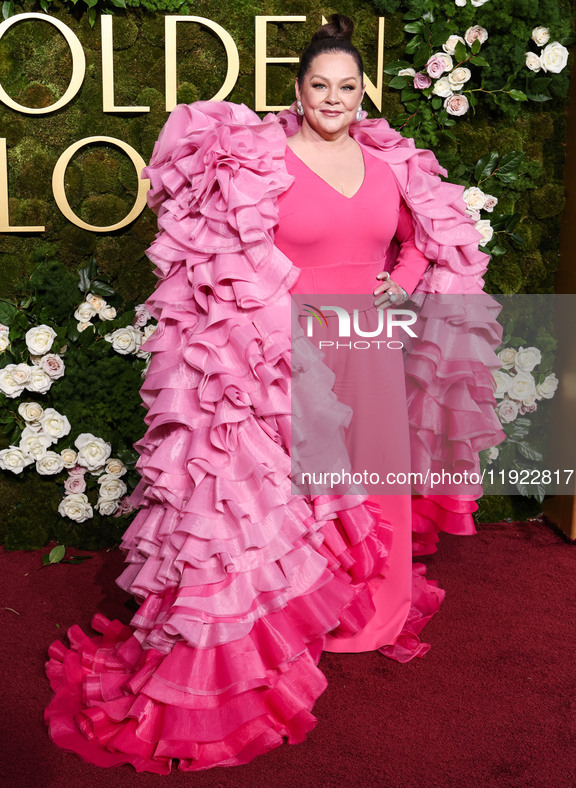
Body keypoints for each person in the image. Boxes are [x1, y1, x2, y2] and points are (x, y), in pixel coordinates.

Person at [44, 14, 503, 773]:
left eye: (346, 86)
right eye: (319, 85)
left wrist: (405, 283)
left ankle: (371, 614)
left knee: (373, 488)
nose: (333, 97)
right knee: (290, 504)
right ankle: (301, 621)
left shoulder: (390, 165)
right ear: (297, 90)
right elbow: (220, 250)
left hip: (369, 341)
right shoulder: (266, 161)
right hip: (285, 351)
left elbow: (426, 237)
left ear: (363, 93)